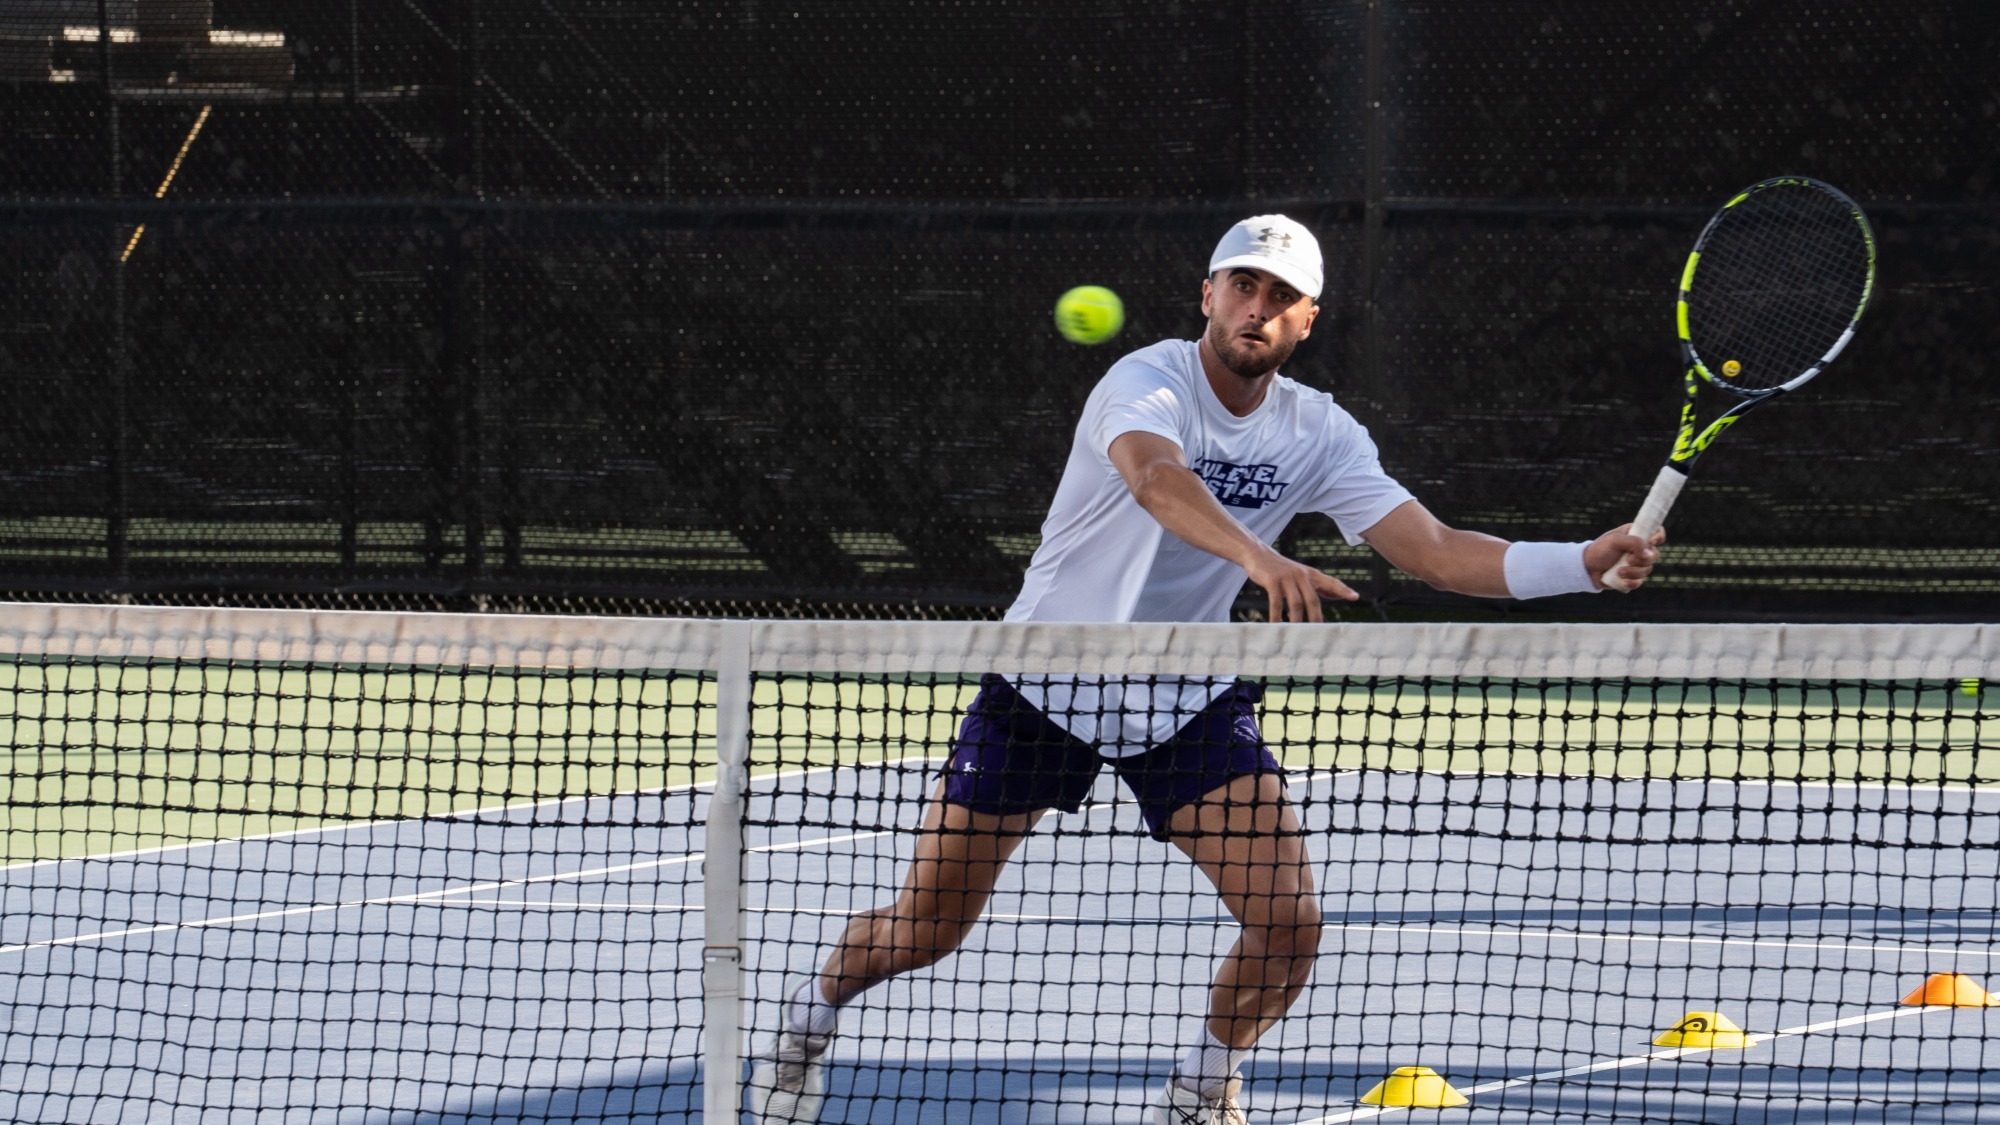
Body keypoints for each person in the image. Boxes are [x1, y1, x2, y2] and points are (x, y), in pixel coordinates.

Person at [748, 214, 1661, 1124]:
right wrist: (1263, 561)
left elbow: (1434, 548)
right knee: (928, 927)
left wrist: (1581, 560)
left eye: (1280, 297)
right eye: (1242, 285)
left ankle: (1200, 1090)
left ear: (1307, 321)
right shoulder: (1145, 379)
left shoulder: (1320, 433)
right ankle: (805, 1026)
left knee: (1289, 924)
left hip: (1182, 701)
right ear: (1208, 294)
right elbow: (1154, 477)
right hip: (1044, 683)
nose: (1255, 308)